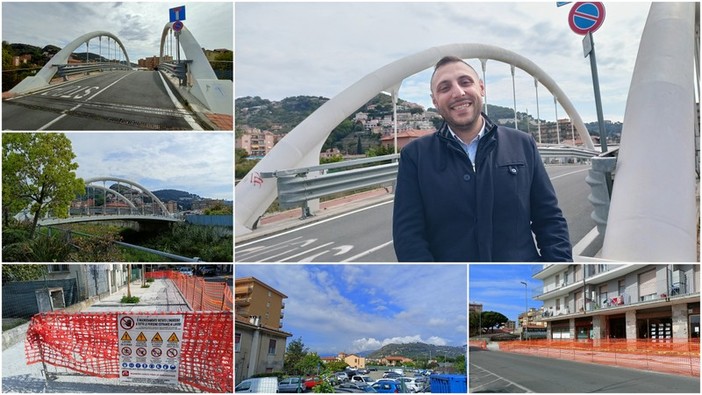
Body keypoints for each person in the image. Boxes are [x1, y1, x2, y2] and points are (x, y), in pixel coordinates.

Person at [392, 55, 572, 262]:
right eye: (444, 88)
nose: (458, 93)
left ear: (481, 88)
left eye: (465, 82)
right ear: (434, 101)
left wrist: (555, 268)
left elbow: (549, 220)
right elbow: (408, 237)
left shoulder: (522, 144)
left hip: (519, 277)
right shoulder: (415, 156)